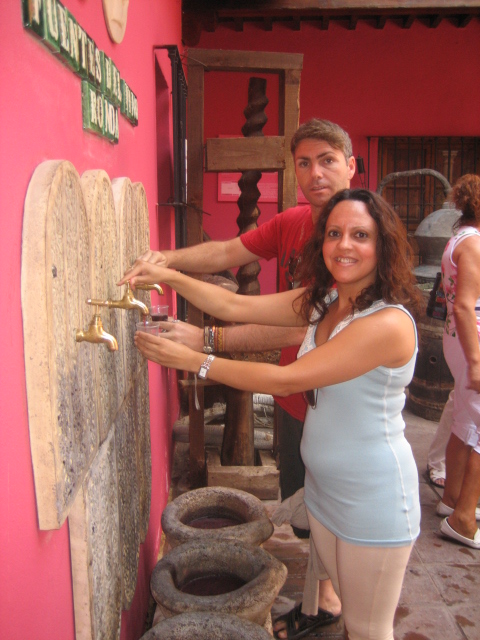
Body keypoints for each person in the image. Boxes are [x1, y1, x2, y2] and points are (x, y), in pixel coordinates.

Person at [120, 188, 422, 640]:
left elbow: (288, 380)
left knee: (367, 629)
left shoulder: (388, 324)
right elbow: (234, 306)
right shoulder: (326, 301)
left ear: (383, 245)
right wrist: (169, 274)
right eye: (334, 233)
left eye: (360, 235)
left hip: (372, 497)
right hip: (324, 491)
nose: (344, 245)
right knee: (347, 611)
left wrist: (195, 361)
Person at [134, 118, 355, 637]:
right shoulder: (297, 222)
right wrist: (166, 261)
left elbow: (306, 323)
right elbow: (229, 255)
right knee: (310, 511)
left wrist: (204, 345)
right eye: (304, 162)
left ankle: (337, 601)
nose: (316, 173)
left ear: (351, 165)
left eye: (328, 160)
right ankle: (321, 599)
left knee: (339, 520)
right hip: (301, 398)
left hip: (343, 404)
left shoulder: (357, 247)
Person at [437, 174, 480, 550]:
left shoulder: (458, 239)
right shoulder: (476, 245)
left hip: (456, 338)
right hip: (474, 342)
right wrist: (478, 362)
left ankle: (451, 497)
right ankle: (464, 518)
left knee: (466, 421)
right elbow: (467, 305)